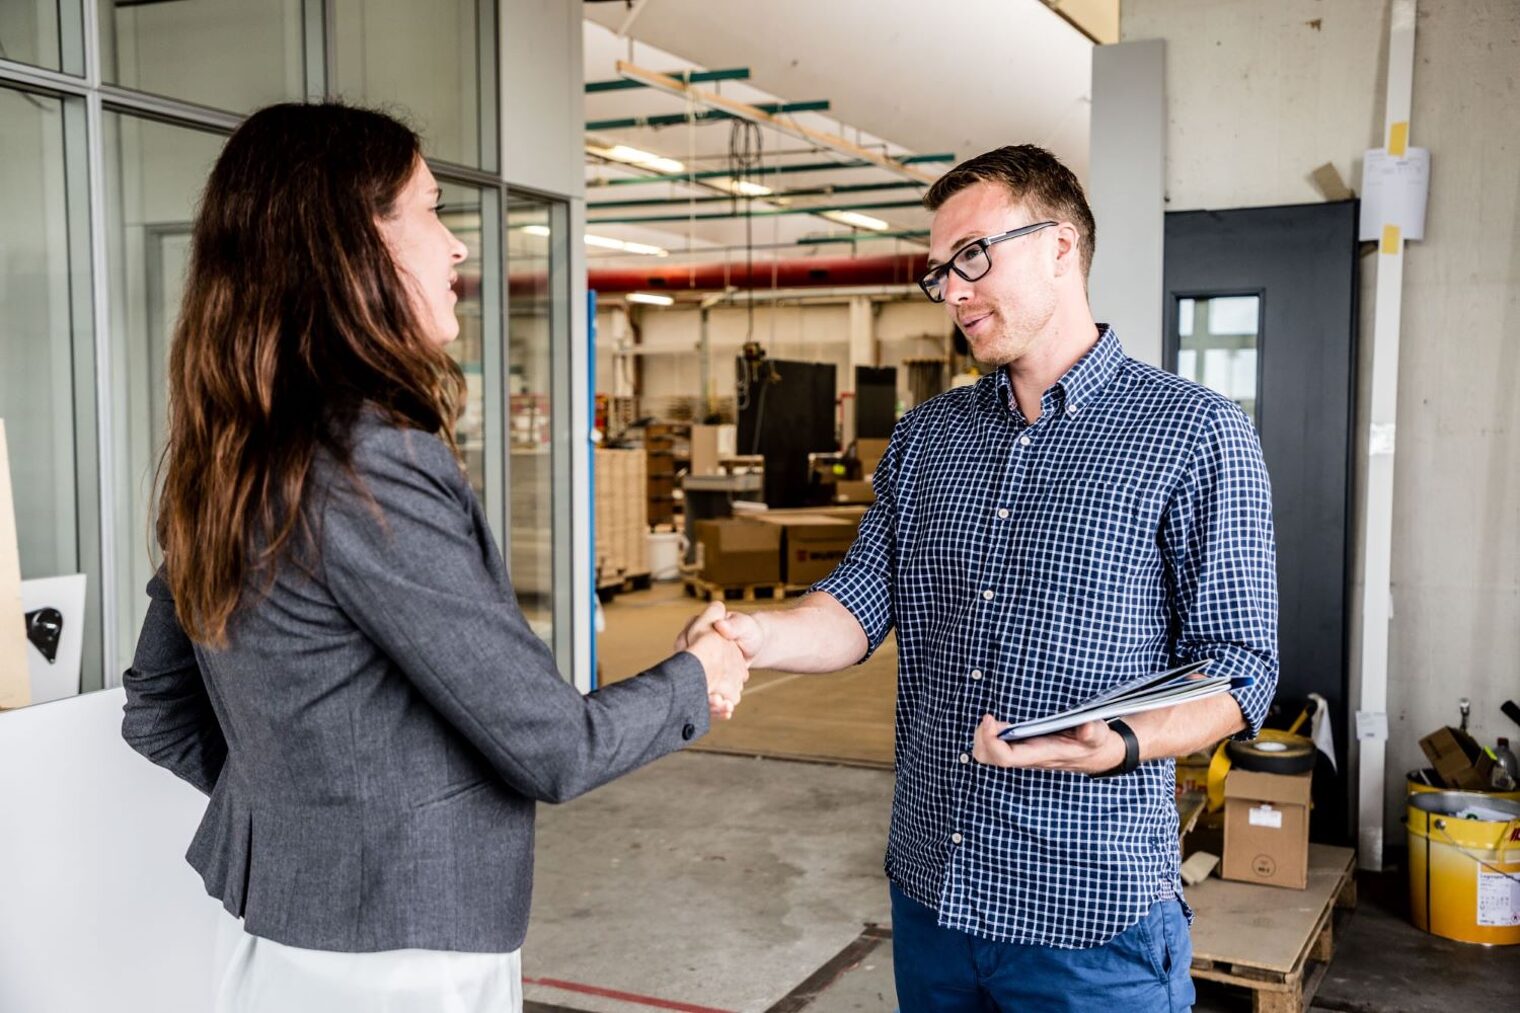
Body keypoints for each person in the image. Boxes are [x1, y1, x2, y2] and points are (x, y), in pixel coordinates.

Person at [120, 102, 749, 1013]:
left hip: (271, 939)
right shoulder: (366, 458)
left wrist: (311, 825)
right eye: (432, 209)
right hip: (404, 956)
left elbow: (156, 712)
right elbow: (553, 747)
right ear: (352, 242)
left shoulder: (228, 452)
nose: (456, 248)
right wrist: (703, 672)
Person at [679, 145, 1278, 1010]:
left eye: (972, 257)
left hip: (1089, 916)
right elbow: (854, 605)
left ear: (1062, 245)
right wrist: (754, 633)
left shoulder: (1194, 434)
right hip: (934, 895)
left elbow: (1241, 666)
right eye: (939, 272)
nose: (952, 290)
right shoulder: (929, 438)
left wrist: (1128, 742)